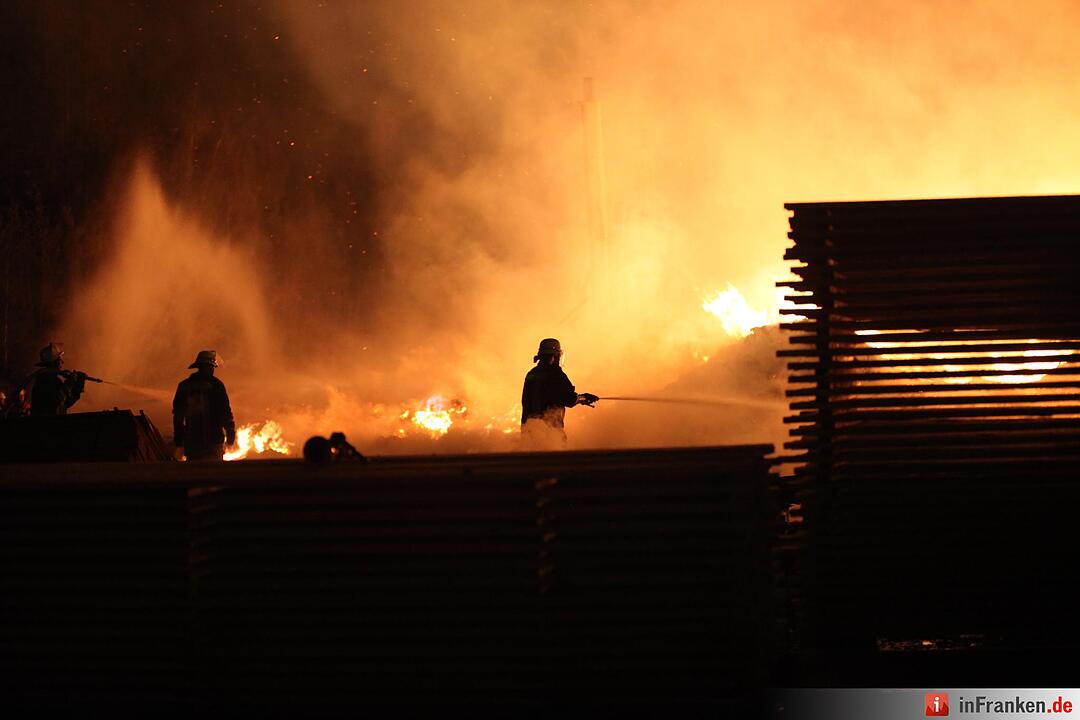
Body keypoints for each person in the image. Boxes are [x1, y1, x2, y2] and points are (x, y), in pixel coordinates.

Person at [520, 338, 598, 439]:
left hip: (529, 432)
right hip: (550, 434)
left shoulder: (531, 374)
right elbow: (569, 399)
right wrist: (583, 398)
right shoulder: (556, 374)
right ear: (553, 357)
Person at [172, 350, 236, 461]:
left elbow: (178, 417)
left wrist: (179, 442)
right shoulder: (217, 386)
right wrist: (230, 435)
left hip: (196, 443)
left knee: (197, 475)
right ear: (202, 367)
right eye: (210, 367)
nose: (211, 370)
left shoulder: (185, 386)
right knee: (211, 475)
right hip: (209, 443)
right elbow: (225, 413)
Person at [29, 342, 86, 416]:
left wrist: (78, 386)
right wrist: (70, 382)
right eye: (60, 359)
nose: (63, 362)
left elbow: (67, 402)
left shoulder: (47, 380)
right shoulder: (46, 381)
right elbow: (58, 400)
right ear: (55, 362)